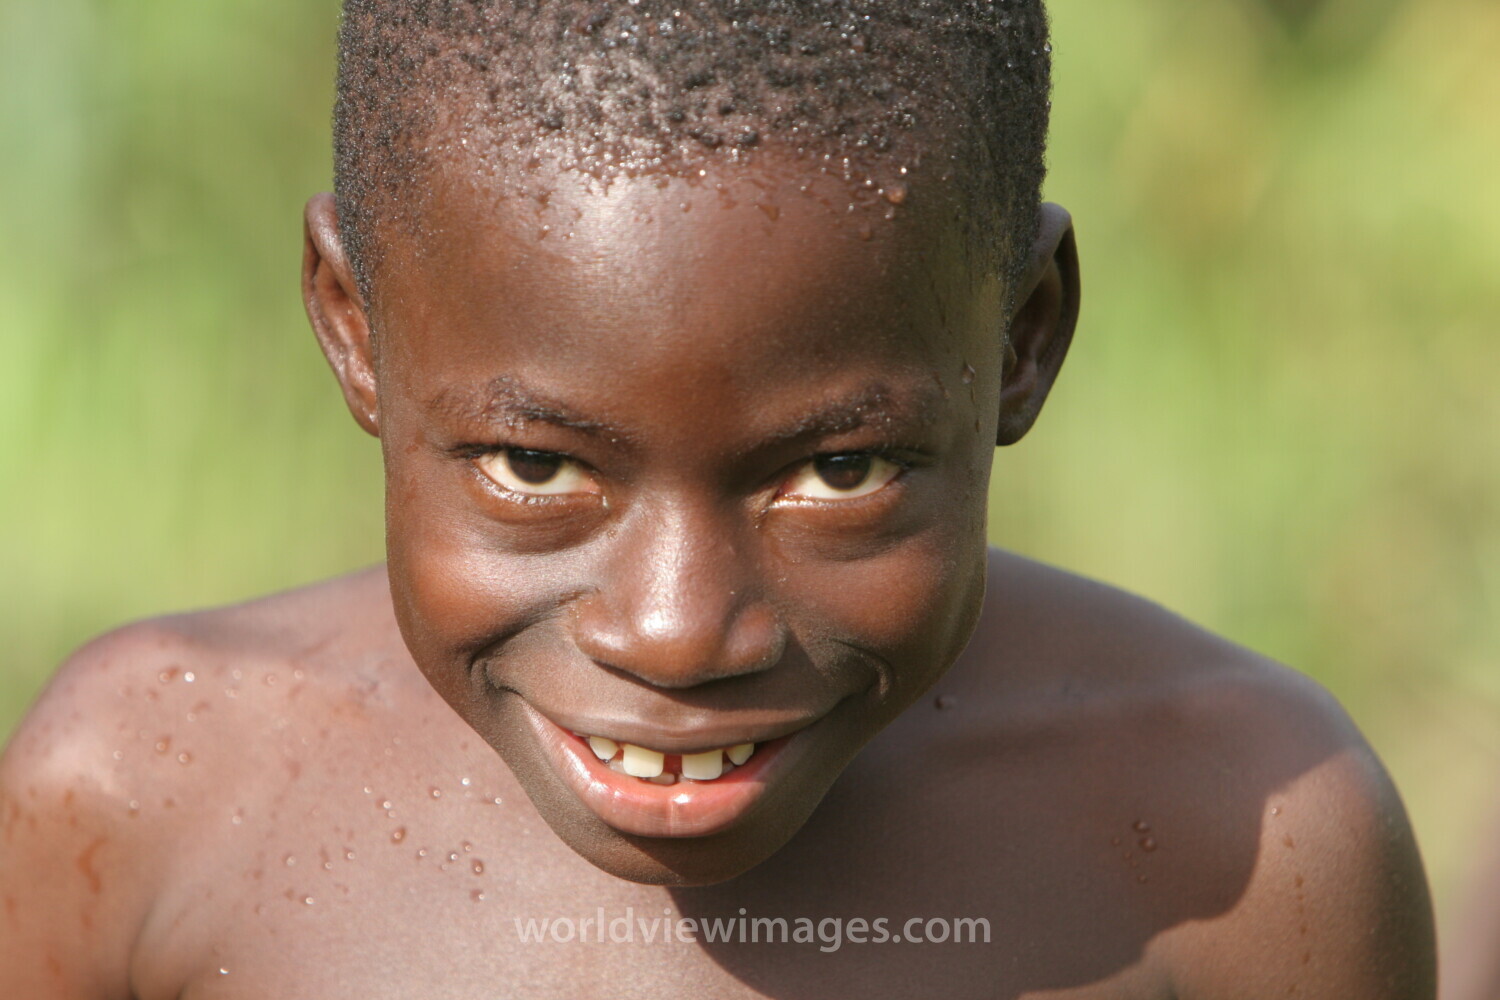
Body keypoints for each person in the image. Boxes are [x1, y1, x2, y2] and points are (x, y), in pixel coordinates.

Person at [0, 1, 1436, 995]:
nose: (682, 633)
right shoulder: (139, 805)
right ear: (354, 326)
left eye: (839, 470)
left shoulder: (1243, 847)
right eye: (538, 467)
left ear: (1020, 339)